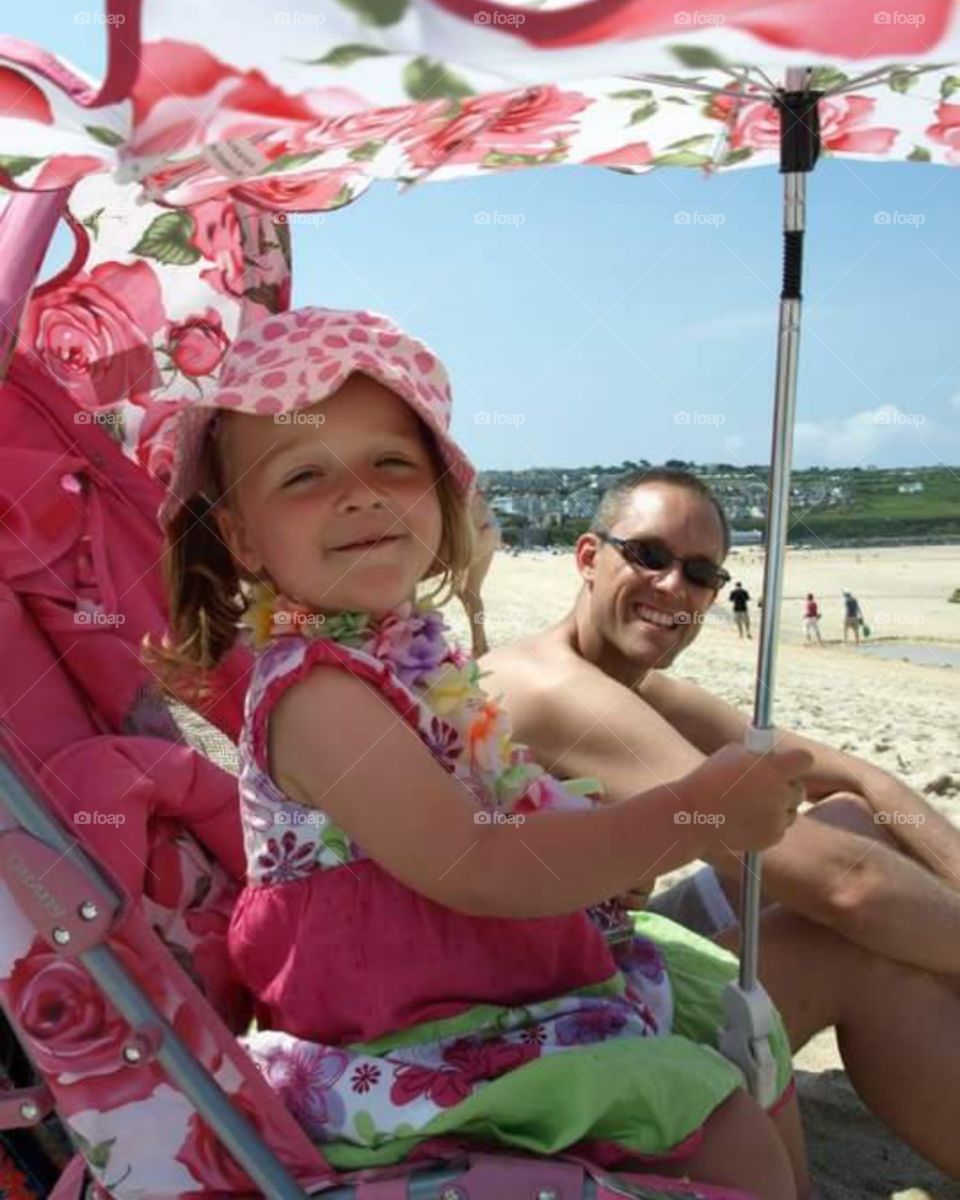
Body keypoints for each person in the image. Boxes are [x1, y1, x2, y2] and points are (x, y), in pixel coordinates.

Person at [149, 310, 812, 1200]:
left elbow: (502, 806)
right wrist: (693, 815)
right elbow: (475, 860)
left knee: (728, 1011)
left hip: (489, 983)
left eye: (392, 463)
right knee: (718, 1114)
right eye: (305, 475)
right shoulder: (317, 696)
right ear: (242, 540)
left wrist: (594, 843)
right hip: (406, 1035)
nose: (360, 493)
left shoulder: (405, 657)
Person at [480, 467, 960, 1179]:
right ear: (588, 558)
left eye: (700, 573)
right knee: (856, 948)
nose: (673, 586)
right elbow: (843, 885)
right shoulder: (552, 690)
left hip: (594, 954)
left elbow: (861, 779)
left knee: (854, 819)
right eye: (647, 556)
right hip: (522, 1028)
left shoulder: (643, 690)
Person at [459, 487, 500, 657]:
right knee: (470, 592)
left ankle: (479, 647)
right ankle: (481, 644)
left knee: (466, 592)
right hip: (491, 526)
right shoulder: (465, 477)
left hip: (476, 531)